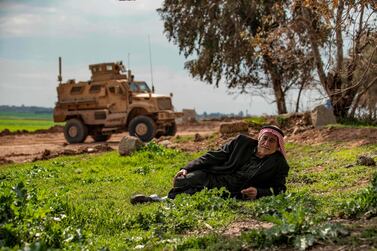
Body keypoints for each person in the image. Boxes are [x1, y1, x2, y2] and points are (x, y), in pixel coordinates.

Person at [130, 125, 290, 204]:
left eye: (272, 141)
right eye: (265, 138)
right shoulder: (241, 142)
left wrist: (259, 192)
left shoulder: (279, 164)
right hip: (217, 176)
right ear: (259, 138)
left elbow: (279, 190)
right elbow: (215, 156)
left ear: (278, 146)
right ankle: (164, 198)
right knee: (182, 180)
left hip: (235, 191)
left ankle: (158, 199)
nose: (267, 143)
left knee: (198, 194)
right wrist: (186, 168)